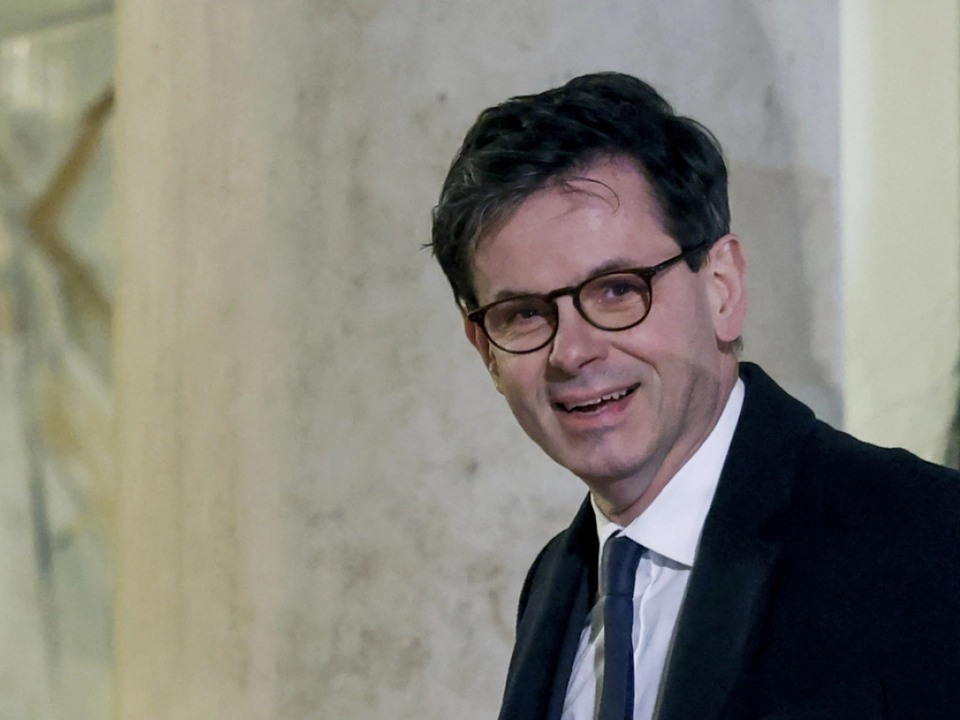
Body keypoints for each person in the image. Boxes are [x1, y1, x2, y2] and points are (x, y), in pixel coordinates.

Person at [429, 72, 960, 720]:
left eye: (617, 290)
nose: (571, 352)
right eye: (524, 314)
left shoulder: (926, 541)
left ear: (722, 288)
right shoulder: (554, 582)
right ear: (484, 349)